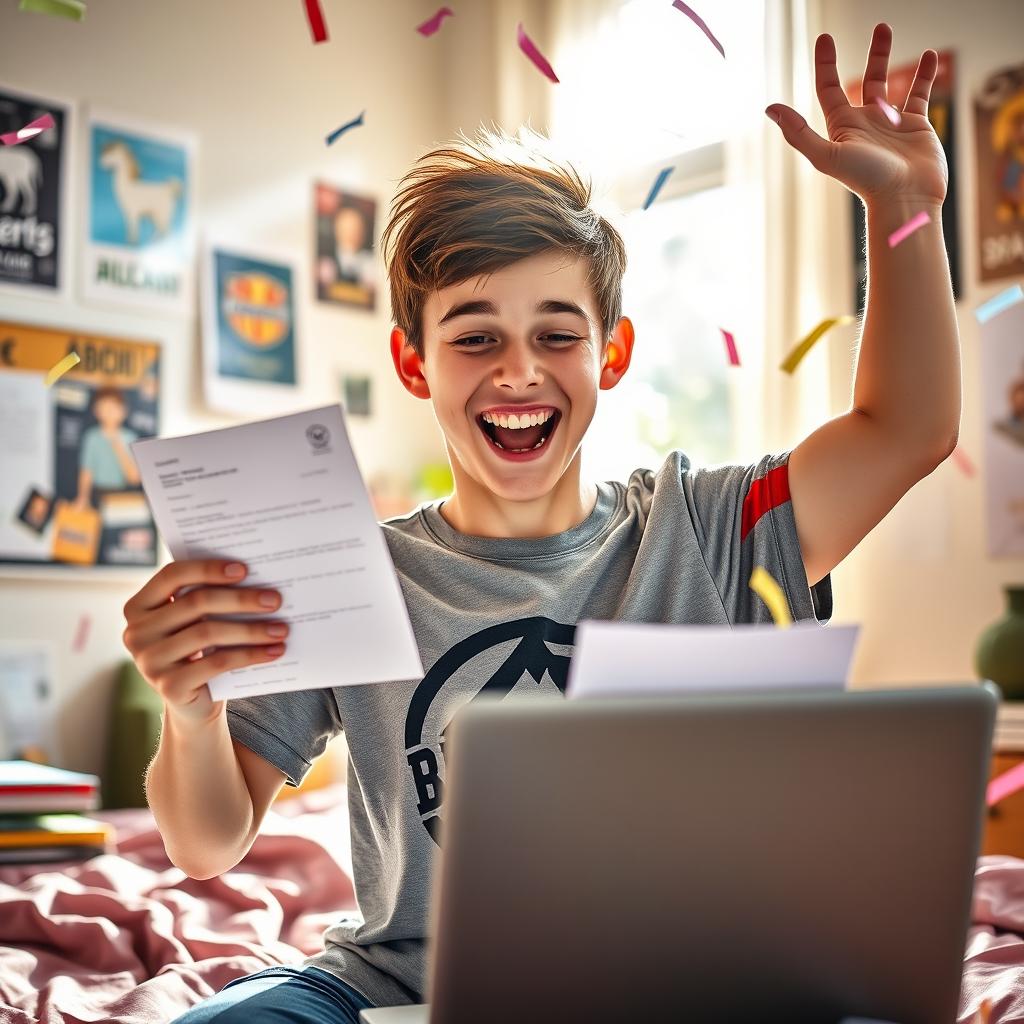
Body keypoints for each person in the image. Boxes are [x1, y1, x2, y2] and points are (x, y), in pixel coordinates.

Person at [122, 23, 960, 1022]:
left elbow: (906, 427)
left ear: (610, 354)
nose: (517, 370)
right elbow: (207, 840)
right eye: (474, 336)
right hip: (397, 988)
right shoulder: (353, 568)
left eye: (555, 334)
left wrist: (902, 207)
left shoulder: (713, 526)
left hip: (674, 983)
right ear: (413, 362)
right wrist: (189, 710)